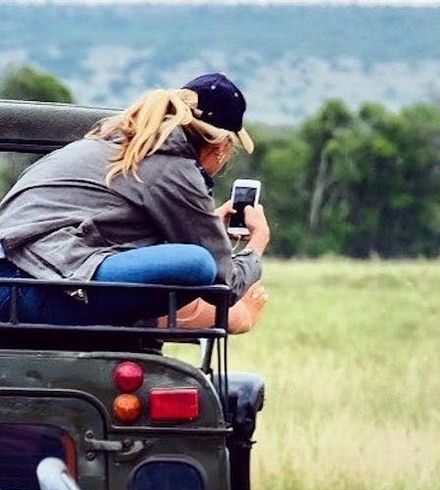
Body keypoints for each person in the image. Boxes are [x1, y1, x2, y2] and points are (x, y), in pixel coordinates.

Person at [0, 73, 269, 332]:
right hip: (30, 288)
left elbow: (108, 232)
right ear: (219, 146)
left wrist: (208, 228)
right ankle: (176, 323)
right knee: (197, 263)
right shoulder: (173, 167)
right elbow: (226, 286)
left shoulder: (101, 146)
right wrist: (256, 246)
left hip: (16, 276)